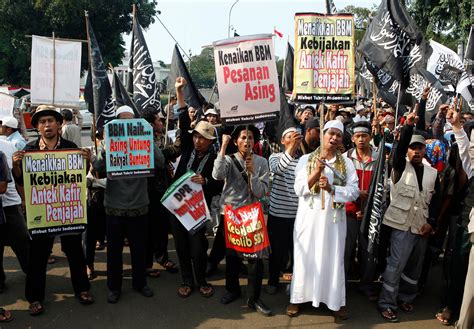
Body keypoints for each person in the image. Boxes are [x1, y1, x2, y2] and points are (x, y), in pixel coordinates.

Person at [12, 105, 93, 315]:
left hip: (67, 211)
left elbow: (79, 176)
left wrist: (87, 162)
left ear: (59, 124)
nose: (47, 125)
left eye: (50, 121)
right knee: (37, 256)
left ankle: (83, 289)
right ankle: (34, 298)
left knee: (75, 251)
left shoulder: (70, 146)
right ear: (37, 127)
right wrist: (16, 166)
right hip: (43, 213)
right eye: (42, 122)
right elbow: (21, 179)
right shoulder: (29, 150)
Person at [287, 120, 359, 319]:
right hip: (308, 220)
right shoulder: (307, 160)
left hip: (333, 222)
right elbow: (299, 188)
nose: (334, 138)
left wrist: (332, 189)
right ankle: (298, 298)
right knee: (305, 257)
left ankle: (335, 301)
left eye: (338, 135)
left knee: (333, 258)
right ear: (323, 135)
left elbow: (353, 192)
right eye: (330, 134)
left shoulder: (347, 164)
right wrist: (316, 172)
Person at [377, 112, 439, 323]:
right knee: (396, 264)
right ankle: (387, 303)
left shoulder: (432, 173)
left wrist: (431, 224)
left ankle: (406, 297)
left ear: (424, 150)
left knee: (414, 266)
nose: (416, 151)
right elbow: (399, 150)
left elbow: (436, 202)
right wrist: (407, 128)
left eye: (420, 147)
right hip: (400, 225)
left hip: (421, 226)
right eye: (412, 147)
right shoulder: (399, 166)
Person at [92, 105, 153, 304]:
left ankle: (140, 283)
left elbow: (159, 162)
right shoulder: (110, 144)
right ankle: (114, 287)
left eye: (130, 121)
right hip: (114, 207)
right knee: (114, 252)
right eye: (122, 121)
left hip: (139, 206)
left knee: (139, 249)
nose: (126, 125)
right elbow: (98, 167)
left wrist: (149, 143)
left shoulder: (144, 141)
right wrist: (104, 148)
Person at [212, 125, 272, 316]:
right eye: (244, 137)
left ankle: (254, 298)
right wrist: (223, 147)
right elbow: (217, 175)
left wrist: (252, 173)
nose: (247, 141)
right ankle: (232, 289)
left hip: (252, 216)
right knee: (232, 257)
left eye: (251, 138)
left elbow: (262, 191)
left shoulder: (262, 162)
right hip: (230, 215)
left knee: (255, 260)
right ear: (237, 141)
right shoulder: (229, 160)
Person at [343, 120, 379, 301]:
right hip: (348, 212)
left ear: (370, 137)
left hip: (370, 214)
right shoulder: (345, 158)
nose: (361, 139)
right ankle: (341, 285)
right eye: (357, 136)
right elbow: (339, 186)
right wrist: (352, 208)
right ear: (352, 139)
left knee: (368, 252)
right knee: (345, 250)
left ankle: (366, 284)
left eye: (364, 136)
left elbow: (382, 187)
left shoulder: (379, 158)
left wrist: (368, 210)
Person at [266, 127, 302, 294]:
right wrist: (291, 148)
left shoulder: (304, 160)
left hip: (298, 215)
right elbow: (278, 169)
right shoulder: (275, 157)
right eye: (289, 136)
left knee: (296, 251)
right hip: (278, 214)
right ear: (282, 141)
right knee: (276, 251)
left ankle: (295, 284)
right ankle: (273, 280)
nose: (293, 138)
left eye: (296, 136)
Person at [447, 109, 474, 329]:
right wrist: (457, 127)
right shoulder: (472, 168)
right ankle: (453, 306)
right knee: (461, 266)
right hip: (469, 225)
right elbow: (465, 151)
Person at [0, 137, 29, 293]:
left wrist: (24, 199)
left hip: (10, 204)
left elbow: (18, 176)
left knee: (22, 242)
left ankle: (31, 272)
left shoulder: (6, 145)